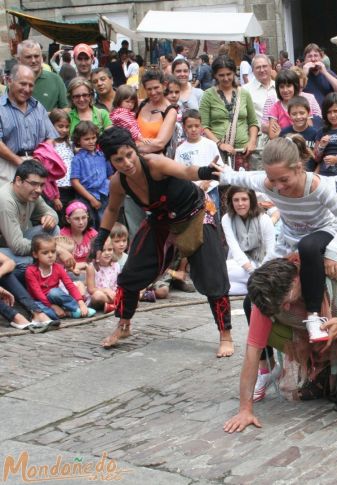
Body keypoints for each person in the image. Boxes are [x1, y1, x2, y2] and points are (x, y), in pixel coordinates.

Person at [222, 253, 337, 432]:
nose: (286, 308)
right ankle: (322, 375)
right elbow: (252, 352)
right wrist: (245, 409)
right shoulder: (267, 297)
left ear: (295, 280)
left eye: (286, 301)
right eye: (282, 306)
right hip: (320, 336)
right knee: (269, 332)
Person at [94, 127, 233, 357]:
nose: (127, 162)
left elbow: (187, 171)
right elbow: (111, 209)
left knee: (213, 277)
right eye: (118, 160)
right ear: (111, 161)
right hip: (161, 220)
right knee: (130, 275)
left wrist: (208, 171)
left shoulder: (154, 163)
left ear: (135, 149)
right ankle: (123, 325)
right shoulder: (118, 182)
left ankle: (225, 335)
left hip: (195, 213)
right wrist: (99, 239)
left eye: (129, 154)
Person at [208, 136, 337, 343]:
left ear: (298, 168)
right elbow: (237, 178)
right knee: (253, 292)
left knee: (308, 246)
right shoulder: (267, 182)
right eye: (272, 179)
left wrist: (333, 250)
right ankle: (265, 364)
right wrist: (219, 172)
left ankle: (313, 317)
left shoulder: (317, 186)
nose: (278, 187)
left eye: (284, 179)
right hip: (289, 239)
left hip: (323, 232)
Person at [0, 65, 58, 185]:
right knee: (9, 202)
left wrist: (41, 158)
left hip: (36, 165)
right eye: (22, 84)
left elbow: (51, 136)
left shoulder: (38, 107)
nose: (27, 89)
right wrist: (20, 162)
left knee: (36, 203)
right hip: (7, 166)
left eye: (31, 85)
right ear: (9, 81)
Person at [0, 160, 65, 268]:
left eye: (42, 185)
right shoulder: (6, 200)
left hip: (12, 243)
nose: (39, 190)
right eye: (34, 184)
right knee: (30, 261)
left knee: (53, 228)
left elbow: (51, 213)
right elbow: (18, 246)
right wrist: (54, 249)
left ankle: (54, 273)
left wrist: (50, 218)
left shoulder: (32, 194)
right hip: (5, 249)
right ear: (18, 180)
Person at [199, 56, 259, 171]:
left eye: (229, 74)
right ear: (215, 76)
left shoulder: (244, 94)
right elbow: (203, 126)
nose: (226, 78)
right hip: (217, 153)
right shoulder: (208, 95)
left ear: (234, 73)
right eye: (221, 75)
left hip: (243, 152)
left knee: (242, 187)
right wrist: (220, 144)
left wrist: (252, 142)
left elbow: (253, 122)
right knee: (222, 186)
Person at [25, 234, 94, 319]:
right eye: (45, 253)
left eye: (53, 252)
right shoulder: (30, 271)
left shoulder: (58, 267)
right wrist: (52, 306)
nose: (50, 255)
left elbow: (70, 285)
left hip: (54, 297)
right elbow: (38, 293)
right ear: (35, 254)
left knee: (54, 292)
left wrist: (81, 303)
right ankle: (68, 313)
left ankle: (76, 308)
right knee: (45, 312)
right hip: (39, 301)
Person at [221, 187, 274, 296]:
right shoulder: (227, 219)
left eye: (244, 199)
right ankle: (255, 287)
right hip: (241, 263)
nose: (240, 203)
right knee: (216, 274)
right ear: (231, 202)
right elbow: (235, 249)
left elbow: (271, 251)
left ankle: (258, 284)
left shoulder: (264, 219)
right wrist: (251, 271)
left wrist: (260, 273)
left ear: (251, 200)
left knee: (221, 284)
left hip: (263, 264)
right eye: (236, 200)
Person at [175, 110, 223, 210]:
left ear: (201, 126)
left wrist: (207, 182)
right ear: (184, 127)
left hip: (210, 190)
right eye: (189, 126)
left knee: (213, 219)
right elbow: (179, 173)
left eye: (197, 126)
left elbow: (219, 167)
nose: (193, 129)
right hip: (192, 193)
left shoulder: (210, 144)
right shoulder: (180, 150)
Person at [16, 40, 68, 112]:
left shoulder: (56, 80)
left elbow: (67, 109)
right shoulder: (14, 83)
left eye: (36, 56)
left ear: (41, 57)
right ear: (19, 60)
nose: (33, 60)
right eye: (28, 57)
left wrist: (48, 116)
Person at [46, 109, 75, 211]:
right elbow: (47, 174)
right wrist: (55, 197)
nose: (64, 130)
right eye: (60, 126)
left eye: (67, 127)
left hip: (72, 189)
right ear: (51, 125)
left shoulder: (70, 144)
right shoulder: (48, 146)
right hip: (57, 191)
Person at [59, 200, 97, 273]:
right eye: (76, 218)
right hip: (69, 272)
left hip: (90, 271)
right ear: (68, 219)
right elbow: (60, 264)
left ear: (88, 217)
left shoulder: (93, 234)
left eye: (84, 218)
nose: (81, 222)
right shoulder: (62, 236)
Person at [263, 69, 303, 138]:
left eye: (288, 86)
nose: (285, 90)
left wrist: (281, 132)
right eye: (282, 87)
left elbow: (309, 130)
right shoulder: (275, 108)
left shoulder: (303, 104)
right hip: (283, 146)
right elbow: (273, 136)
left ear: (295, 86)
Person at [85, 237, 121, 313]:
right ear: (95, 252)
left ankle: (112, 306)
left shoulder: (116, 265)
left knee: (130, 296)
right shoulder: (91, 267)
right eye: (103, 250)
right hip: (98, 296)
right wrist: (106, 291)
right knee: (98, 296)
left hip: (113, 295)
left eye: (110, 249)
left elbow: (118, 284)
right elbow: (91, 290)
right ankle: (118, 305)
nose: (107, 253)